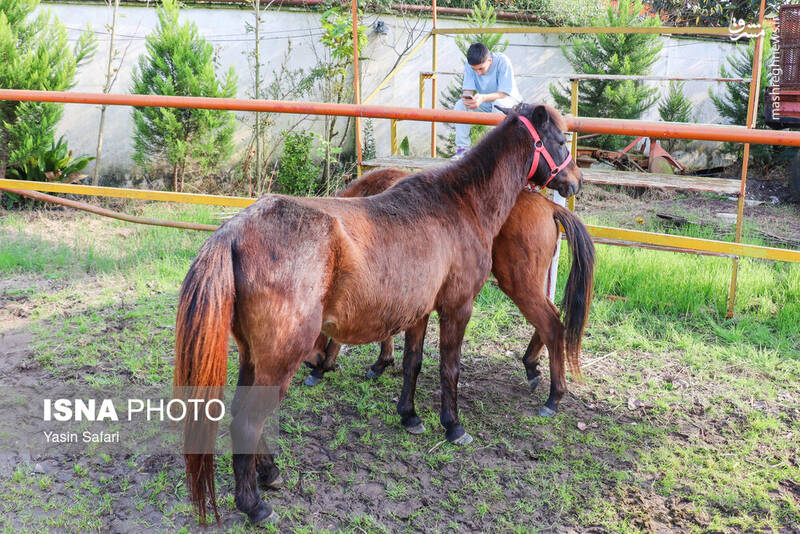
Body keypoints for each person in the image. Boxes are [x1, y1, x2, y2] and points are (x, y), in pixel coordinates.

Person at [453, 42, 522, 158]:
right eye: (474, 70)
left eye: (481, 69)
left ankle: (501, 151)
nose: (478, 73)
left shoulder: (503, 61)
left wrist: (483, 97)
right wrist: (467, 98)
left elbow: (504, 93)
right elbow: (468, 90)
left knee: (498, 104)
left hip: (508, 102)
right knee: (460, 105)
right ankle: (462, 150)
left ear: (489, 61)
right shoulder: (470, 65)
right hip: (485, 102)